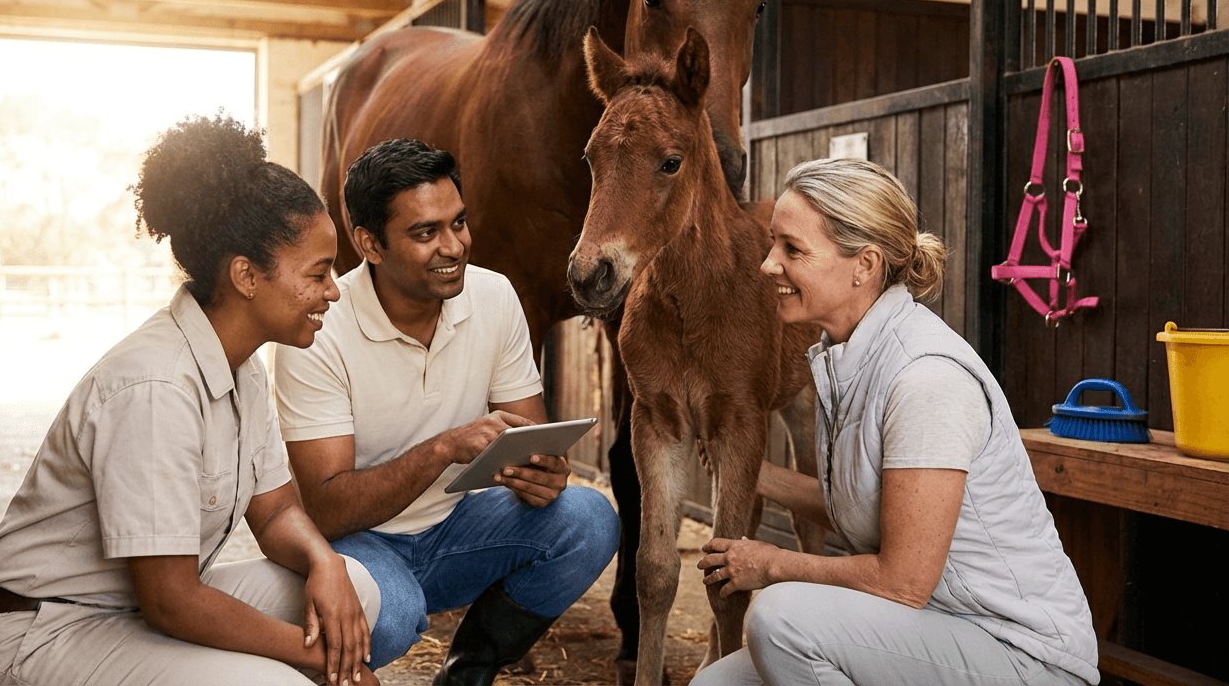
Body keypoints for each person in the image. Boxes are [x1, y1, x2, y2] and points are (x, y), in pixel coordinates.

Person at [0, 115, 379, 686]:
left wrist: (323, 561)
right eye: (319, 272)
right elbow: (172, 601)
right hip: (42, 631)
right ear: (246, 276)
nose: (333, 291)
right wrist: (320, 660)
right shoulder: (157, 387)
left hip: (129, 610)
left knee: (356, 588)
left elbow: (276, 512)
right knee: (284, 680)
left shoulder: (244, 367)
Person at [692, 158, 1099, 686]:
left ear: (864, 264)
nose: (769, 265)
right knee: (713, 685)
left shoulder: (925, 379)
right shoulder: (851, 355)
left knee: (780, 617)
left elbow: (902, 581)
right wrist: (755, 475)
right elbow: (873, 509)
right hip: (933, 628)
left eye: (792, 249)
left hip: (1020, 653)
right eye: (774, 244)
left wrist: (771, 564)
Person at [273, 138, 620, 685]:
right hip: (358, 543)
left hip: (458, 526)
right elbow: (328, 511)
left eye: (458, 223)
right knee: (390, 617)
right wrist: (442, 449)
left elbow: (532, 437)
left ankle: (468, 671)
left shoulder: (493, 295)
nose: (454, 246)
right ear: (370, 244)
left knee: (589, 520)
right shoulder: (319, 329)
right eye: (425, 233)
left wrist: (543, 475)